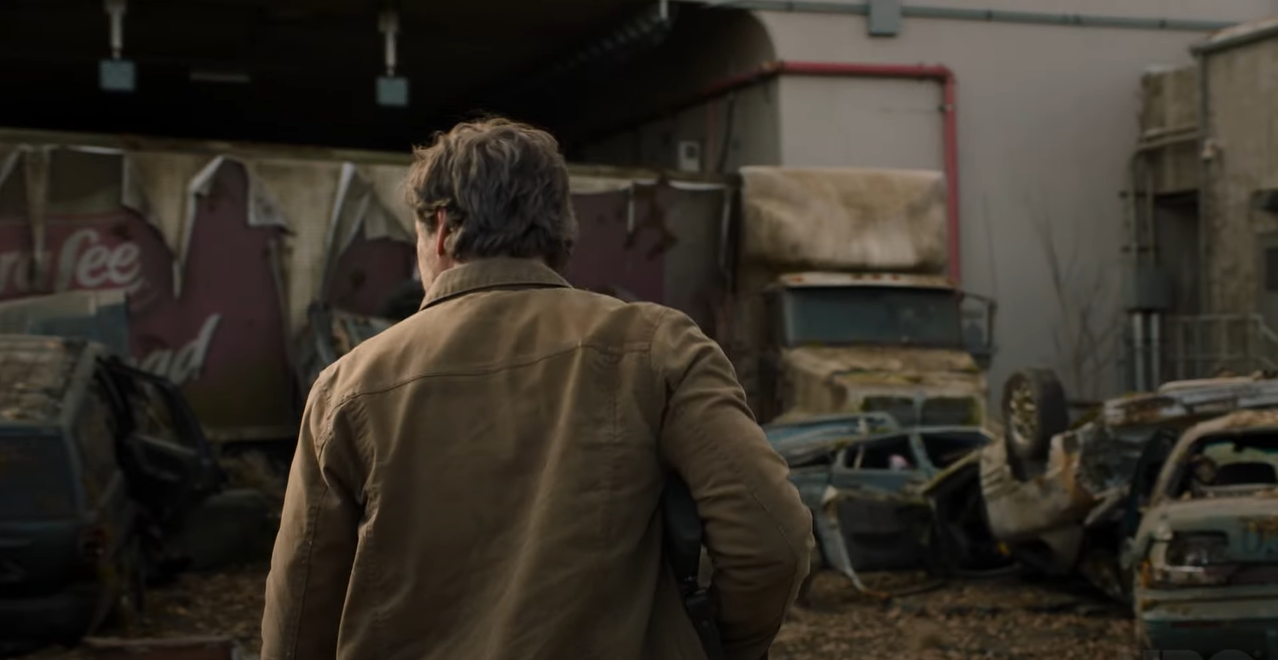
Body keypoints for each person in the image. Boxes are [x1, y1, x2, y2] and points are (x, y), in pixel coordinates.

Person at [261, 117, 813, 660]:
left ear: (444, 230)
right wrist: (719, 647)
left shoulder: (348, 386)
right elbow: (772, 542)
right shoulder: (657, 347)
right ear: (557, 228)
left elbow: (301, 604)